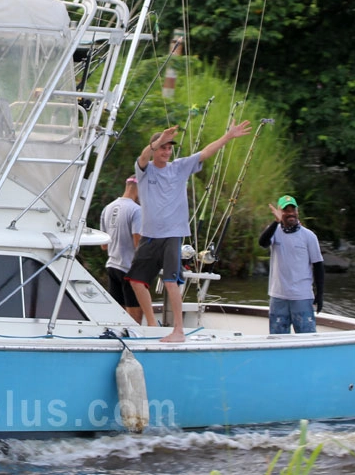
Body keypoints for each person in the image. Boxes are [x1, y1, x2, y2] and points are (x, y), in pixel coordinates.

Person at [126, 121, 252, 342]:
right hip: (150, 235)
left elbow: (205, 153)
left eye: (169, 147)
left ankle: (179, 331)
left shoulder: (180, 166)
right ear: (156, 147)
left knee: (170, 281)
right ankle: (153, 325)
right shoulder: (145, 171)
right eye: (163, 147)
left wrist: (228, 136)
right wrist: (158, 140)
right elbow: (143, 156)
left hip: (173, 233)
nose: (166, 151)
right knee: (136, 280)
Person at [258, 194, 324, 334]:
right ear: (280, 212)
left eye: (292, 210)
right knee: (277, 339)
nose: (290, 214)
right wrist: (276, 222)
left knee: (307, 337)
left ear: (297, 211)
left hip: (302, 296)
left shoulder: (309, 236)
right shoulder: (274, 231)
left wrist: (320, 295)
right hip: (278, 297)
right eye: (286, 210)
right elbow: (262, 243)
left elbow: (318, 266)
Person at [100, 176, 143, 323]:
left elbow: (103, 245)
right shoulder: (137, 210)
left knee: (118, 315)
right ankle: (136, 341)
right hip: (129, 268)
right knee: (135, 314)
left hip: (112, 266)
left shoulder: (107, 208)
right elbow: (138, 243)